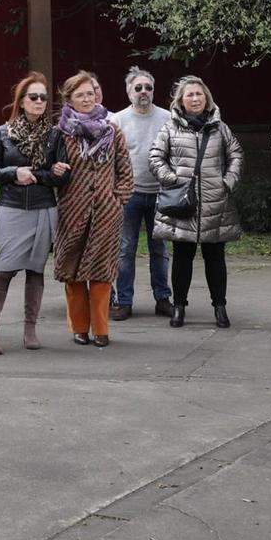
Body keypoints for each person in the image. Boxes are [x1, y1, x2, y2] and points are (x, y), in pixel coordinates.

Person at [0, 72, 69, 354]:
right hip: (12, 208)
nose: (39, 101)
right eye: (33, 97)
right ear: (21, 101)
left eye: (44, 97)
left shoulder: (55, 135)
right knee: (4, 271)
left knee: (36, 271)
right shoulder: (3, 133)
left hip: (44, 208)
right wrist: (14, 173)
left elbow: (60, 176)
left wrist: (51, 173)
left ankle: (30, 329)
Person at [151, 76, 245, 329]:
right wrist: (172, 179)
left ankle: (220, 307)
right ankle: (179, 306)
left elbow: (235, 153)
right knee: (182, 256)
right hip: (184, 203)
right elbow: (156, 157)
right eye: (190, 94)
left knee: (216, 257)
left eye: (199, 94)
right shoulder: (169, 128)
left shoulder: (220, 127)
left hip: (215, 201)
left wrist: (228, 182)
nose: (195, 98)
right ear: (180, 100)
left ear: (207, 98)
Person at [52, 71, 135, 347]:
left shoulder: (113, 131)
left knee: (101, 273)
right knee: (73, 272)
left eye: (90, 93)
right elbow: (48, 169)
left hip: (105, 213)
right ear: (69, 99)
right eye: (80, 95)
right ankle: (78, 328)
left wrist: (118, 200)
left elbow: (125, 170)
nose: (86, 99)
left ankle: (101, 330)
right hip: (72, 211)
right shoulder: (61, 133)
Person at [112, 67, 174, 322]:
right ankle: (124, 301)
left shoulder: (168, 117)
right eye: (138, 88)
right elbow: (111, 158)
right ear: (129, 92)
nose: (144, 92)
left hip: (161, 194)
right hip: (129, 194)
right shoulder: (117, 120)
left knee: (160, 250)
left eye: (148, 87)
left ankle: (163, 299)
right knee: (125, 250)